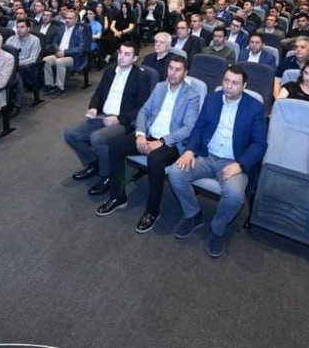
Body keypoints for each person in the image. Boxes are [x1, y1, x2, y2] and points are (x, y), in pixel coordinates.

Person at [167, 65, 267, 258]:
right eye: (226, 81)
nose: (229, 86)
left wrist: (240, 165)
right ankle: (193, 215)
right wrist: (189, 151)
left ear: (244, 86)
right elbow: (198, 128)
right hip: (206, 155)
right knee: (175, 173)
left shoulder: (254, 107)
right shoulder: (212, 99)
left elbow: (260, 144)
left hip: (233, 161)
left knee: (235, 195)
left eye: (235, 83)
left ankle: (218, 228)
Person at [94, 55, 201, 232]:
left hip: (171, 143)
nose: (173, 73)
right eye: (170, 68)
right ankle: (117, 197)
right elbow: (144, 111)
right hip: (149, 135)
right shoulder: (160, 87)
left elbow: (189, 128)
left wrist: (162, 141)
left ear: (185, 73)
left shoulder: (192, 96)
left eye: (178, 70)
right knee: (115, 146)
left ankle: (152, 211)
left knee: (155, 159)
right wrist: (140, 134)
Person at [63, 41, 154, 195]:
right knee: (70, 134)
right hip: (102, 116)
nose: (121, 57)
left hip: (124, 121)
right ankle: (94, 163)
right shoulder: (110, 71)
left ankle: (108, 176)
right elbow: (98, 93)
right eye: (120, 52)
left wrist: (119, 119)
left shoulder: (141, 76)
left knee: (97, 138)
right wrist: (93, 107)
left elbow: (142, 106)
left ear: (135, 58)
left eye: (127, 54)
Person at [42, 10, 87, 94]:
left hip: (73, 56)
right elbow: (54, 42)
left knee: (59, 62)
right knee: (46, 60)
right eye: (66, 18)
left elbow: (80, 48)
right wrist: (57, 50)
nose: (67, 20)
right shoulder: (60, 28)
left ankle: (59, 87)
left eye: (70, 18)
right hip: (58, 53)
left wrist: (65, 52)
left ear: (76, 20)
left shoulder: (80, 30)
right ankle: (49, 85)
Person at [5, 19, 41, 114]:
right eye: (17, 27)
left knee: (17, 77)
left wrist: (17, 64)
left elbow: (33, 59)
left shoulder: (35, 40)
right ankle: (3, 103)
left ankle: (16, 105)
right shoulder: (11, 39)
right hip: (10, 66)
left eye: (22, 27)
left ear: (28, 28)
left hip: (25, 67)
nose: (19, 29)